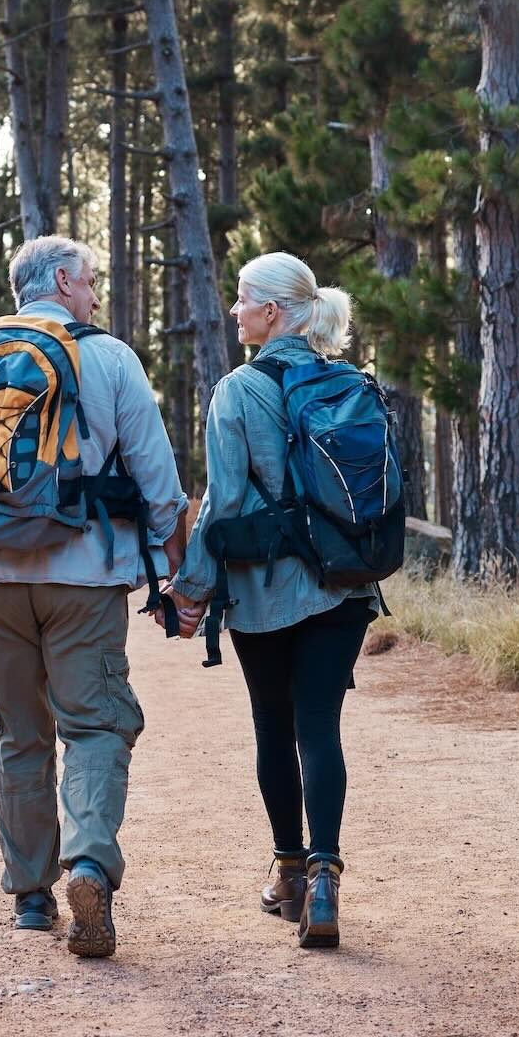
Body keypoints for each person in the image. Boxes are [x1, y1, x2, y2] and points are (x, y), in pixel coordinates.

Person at [0, 235, 189, 959]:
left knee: (17, 734)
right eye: (90, 281)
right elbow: (160, 484)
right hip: (86, 576)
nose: (95, 295)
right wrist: (177, 577)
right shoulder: (112, 358)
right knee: (94, 725)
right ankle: (90, 862)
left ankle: (32, 897)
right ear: (62, 280)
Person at [165, 253, 379, 951]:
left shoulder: (236, 390)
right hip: (345, 582)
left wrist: (189, 590)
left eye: (243, 299)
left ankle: (289, 871)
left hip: (264, 587)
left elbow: (224, 501)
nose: (233, 310)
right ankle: (326, 878)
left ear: (273, 313)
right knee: (321, 727)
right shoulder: (351, 383)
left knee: (273, 726)